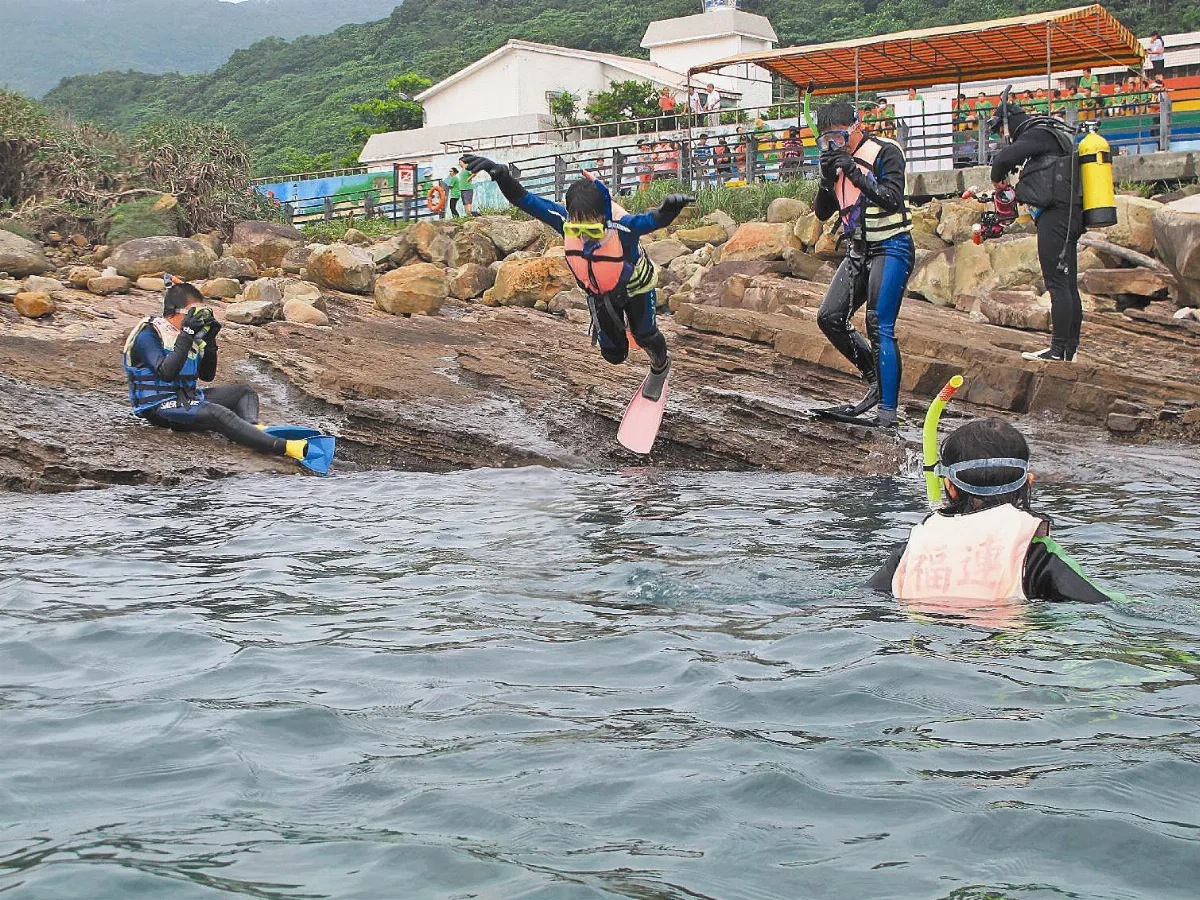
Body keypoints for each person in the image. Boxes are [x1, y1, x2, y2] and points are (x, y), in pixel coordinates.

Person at [462, 154, 692, 401]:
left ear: (605, 219)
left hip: (635, 288)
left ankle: (660, 366)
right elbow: (526, 200)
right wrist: (503, 176)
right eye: (576, 230)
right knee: (614, 355)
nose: (585, 238)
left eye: (592, 230)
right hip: (601, 294)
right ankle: (622, 330)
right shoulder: (562, 220)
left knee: (645, 335)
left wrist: (669, 210)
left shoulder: (624, 227)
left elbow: (652, 220)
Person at [869, 417, 1115, 606]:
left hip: (925, 653)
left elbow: (864, 597)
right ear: (1028, 482)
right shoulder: (1035, 554)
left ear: (950, 488)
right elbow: (1102, 605)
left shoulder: (914, 549)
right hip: (1002, 661)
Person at [122, 281, 315, 465]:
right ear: (174, 311)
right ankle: (287, 448)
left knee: (244, 392)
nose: (197, 319)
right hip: (159, 407)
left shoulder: (188, 334)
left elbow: (206, 376)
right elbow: (165, 373)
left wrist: (211, 343)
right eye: (192, 313)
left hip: (188, 399)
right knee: (217, 413)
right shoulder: (148, 334)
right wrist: (187, 334)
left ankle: (252, 429)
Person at [813, 100, 914, 427]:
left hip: (892, 246)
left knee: (878, 324)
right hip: (858, 249)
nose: (833, 145)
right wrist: (827, 178)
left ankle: (888, 414)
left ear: (856, 126)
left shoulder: (886, 151)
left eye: (839, 137)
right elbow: (822, 212)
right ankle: (875, 380)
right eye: (826, 139)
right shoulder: (835, 160)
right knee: (829, 317)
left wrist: (854, 171)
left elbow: (892, 198)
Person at [989, 96, 1083, 362]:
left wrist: (997, 180)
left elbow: (1005, 158)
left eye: (999, 130)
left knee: (1057, 283)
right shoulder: (1052, 134)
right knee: (1067, 284)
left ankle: (1057, 351)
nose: (1000, 136)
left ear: (1008, 124)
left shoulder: (1039, 133)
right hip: (1069, 213)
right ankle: (1068, 350)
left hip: (1057, 215)